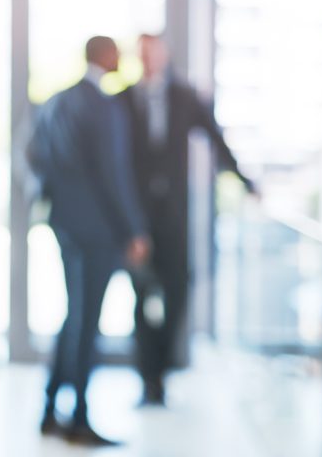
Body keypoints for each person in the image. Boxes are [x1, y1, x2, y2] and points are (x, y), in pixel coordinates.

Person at [118, 33, 256, 406]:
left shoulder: (185, 96)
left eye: (155, 52)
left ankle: (162, 367)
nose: (150, 59)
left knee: (179, 291)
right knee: (142, 297)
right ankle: (149, 381)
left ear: (166, 55)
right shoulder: (123, 99)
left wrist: (246, 182)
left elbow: (215, 139)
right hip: (138, 220)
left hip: (175, 216)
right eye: (143, 53)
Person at [28, 36, 150, 447]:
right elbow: (114, 174)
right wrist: (134, 229)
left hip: (64, 224)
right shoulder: (103, 106)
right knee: (86, 321)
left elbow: (36, 159)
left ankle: (49, 410)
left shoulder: (55, 102)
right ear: (107, 56)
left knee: (74, 317)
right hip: (98, 231)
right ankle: (79, 418)